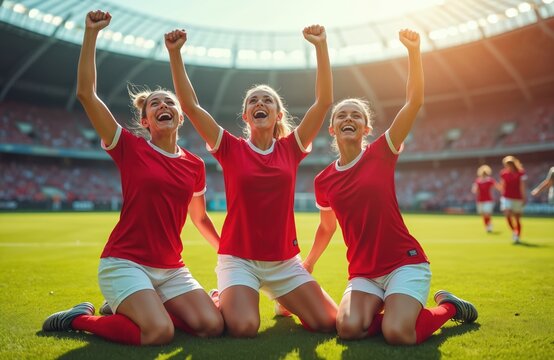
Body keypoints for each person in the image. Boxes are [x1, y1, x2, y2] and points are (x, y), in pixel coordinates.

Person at [41, 10, 224, 345]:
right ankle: (80, 317)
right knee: (158, 332)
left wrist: (227, 252)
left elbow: (199, 217)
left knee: (211, 325)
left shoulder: (195, 164)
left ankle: (131, 308)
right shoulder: (129, 147)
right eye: (155, 104)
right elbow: (86, 93)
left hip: (171, 268)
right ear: (146, 120)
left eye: (169, 101)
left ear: (180, 116)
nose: (163, 105)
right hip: (125, 262)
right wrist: (91, 33)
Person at [303, 30, 478, 345]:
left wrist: (414, 51)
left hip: (404, 262)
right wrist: (309, 262)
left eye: (356, 115)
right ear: (332, 129)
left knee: (398, 334)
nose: (349, 118)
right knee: (347, 329)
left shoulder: (382, 151)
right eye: (341, 115)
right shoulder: (323, 180)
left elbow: (414, 101)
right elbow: (326, 228)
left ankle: (450, 306)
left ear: (366, 128)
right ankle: (390, 314)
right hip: (364, 273)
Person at [165, 25, 337, 337]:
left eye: (267, 100)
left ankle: (282, 298)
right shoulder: (230, 148)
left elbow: (324, 101)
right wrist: (175, 54)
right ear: (246, 116)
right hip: (239, 259)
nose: (260, 103)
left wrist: (321, 47)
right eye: (253, 101)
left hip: (284, 260)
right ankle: (220, 298)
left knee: (328, 323)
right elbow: (190, 107)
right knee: (244, 327)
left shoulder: (291, 148)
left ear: (278, 114)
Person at [499, 156, 527, 244]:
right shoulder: (503, 173)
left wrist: (523, 197)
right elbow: (502, 185)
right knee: (507, 214)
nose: (507, 167)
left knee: (517, 218)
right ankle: (514, 231)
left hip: (517, 197)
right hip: (506, 197)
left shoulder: (521, 173)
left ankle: (517, 234)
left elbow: (522, 186)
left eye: (508, 165)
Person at [471, 165, 498, 233]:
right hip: (480, 200)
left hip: (488, 199)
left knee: (487, 213)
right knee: (483, 214)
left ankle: (489, 225)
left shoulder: (490, 180)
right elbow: (474, 190)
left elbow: (497, 186)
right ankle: (487, 225)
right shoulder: (478, 181)